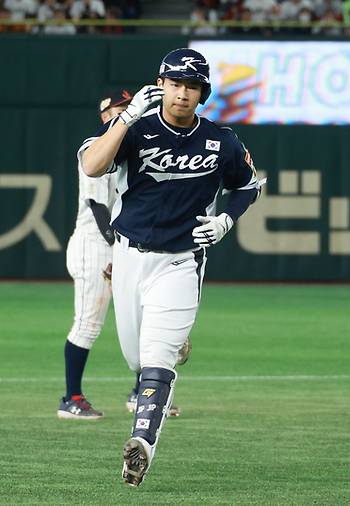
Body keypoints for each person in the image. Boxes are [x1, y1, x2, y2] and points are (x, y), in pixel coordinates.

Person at [79, 48, 264, 486]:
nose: (182, 93)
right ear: (160, 84)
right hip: (127, 256)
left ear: (203, 93)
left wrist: (225, 219)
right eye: (175, 83)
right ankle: (175, 341)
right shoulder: (135, 127)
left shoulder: (222, 140)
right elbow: (92, 166)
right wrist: (124, 120)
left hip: (181, 261)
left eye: (192, 86)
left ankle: (142, 442)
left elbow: (248, 186)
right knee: (135, 357)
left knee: (156, 358)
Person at [58, 90, 189, 420]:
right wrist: (116, 254)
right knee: (88, 324)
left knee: (145, 320)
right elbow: (98, 207)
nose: (132, 113)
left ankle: (140, 393)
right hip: (94, 246)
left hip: (121, 244)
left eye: (132, 107)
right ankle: (71, 398)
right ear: (105, 116)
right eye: (122, 109)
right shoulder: (94, 146)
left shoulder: (137, 147)